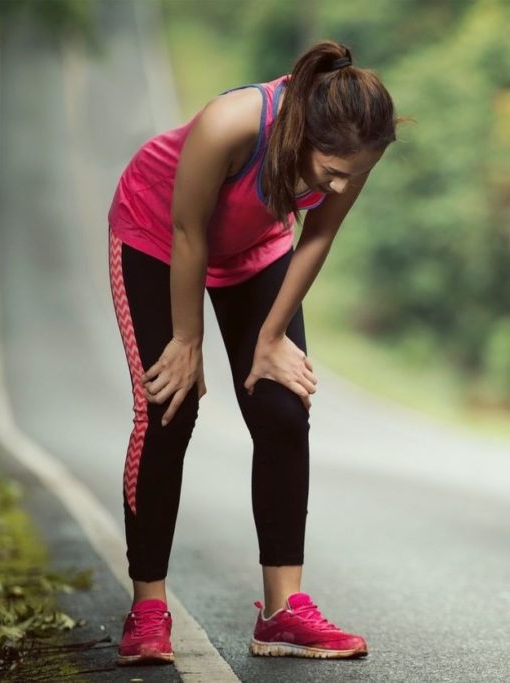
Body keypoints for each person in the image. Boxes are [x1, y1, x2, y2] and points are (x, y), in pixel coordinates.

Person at [106, 40, 398, 665]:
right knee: (169, 408)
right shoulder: (233, 124)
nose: (344, 183)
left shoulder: (354, 150)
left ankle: (283, 613)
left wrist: (269, 340)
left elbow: (316, 236)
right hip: (159, 234)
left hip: (256, 249)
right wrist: (188, 342)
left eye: (358, 173)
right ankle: (148, 609)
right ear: (304, 134)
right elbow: (189, 232)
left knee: (284, 407)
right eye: (333, 171)